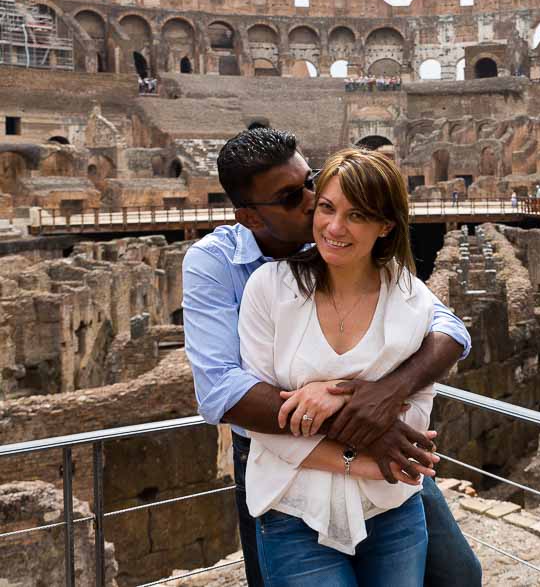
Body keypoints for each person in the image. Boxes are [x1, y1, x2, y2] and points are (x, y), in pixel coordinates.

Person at [182, 128, 482, 587]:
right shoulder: (216, 264)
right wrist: (358, 419)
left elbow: (449, 330)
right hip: (283, 450)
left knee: (458, 574)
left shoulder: (341, 240)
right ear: (249, 216)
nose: (311, 202)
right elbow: (222, 393)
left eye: (310, 182)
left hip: (381, 446)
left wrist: (383, 396)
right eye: (290, 197)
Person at [240, 148, 439, 584]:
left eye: (357, 215)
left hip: (391, 512)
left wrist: (322, 397)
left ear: (385, 225)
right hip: (293, 511)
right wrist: (361, 457)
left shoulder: (411, 298)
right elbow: (261, 419)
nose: (334, 227)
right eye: (326, 208)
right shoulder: (269, 289)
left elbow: (417, 414)